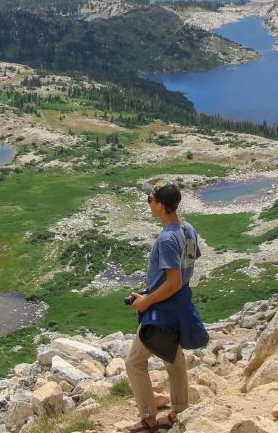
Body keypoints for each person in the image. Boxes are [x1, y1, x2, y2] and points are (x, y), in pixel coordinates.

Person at [119, 182, 203, 433]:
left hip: (163, 310)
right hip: (181, 306)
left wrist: (146, 300)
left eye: (151, 199)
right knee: (174, 356)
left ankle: (148, 419)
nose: (149, 203)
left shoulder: (166, 238)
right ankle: (179, 410)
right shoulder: (187, 229)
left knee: (134, 362)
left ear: (161, 206)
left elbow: (173, 282)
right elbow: (186, 270)